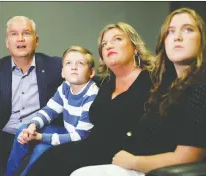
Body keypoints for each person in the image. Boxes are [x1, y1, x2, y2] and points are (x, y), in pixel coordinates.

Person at [70, 7, 206, 176]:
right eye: (170, 32)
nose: (177, 37)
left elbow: (189, 155)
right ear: (164, 41)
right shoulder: (168, 85)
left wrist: (134, 161)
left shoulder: (199, 86)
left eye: (188, 29)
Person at [25, 22, 155, 176]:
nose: (108, 46)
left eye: (117, 39)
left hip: (123, 158)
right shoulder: (107, 83)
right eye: (104, 44)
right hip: (91, 149)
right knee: (46, 160)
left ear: (135, 48)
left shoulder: (151, 82)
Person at [5, 46, 99, 176]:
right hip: (67, 131)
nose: (73, 67)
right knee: (23, 129)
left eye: (80, 63)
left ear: (91, 72)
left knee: (41, 150)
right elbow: (50, 110)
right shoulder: (66, 86)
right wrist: (33, 126)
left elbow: (80, 136)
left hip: (80, 142)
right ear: (62, 72)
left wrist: (40, 137)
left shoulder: (92, 96)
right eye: (68, 63)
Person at [0, 16, 63, 175]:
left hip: (37, 134)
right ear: (7, 42)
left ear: (36, 40)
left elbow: (86, 73)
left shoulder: (55, 66)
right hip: (5, 136)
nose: (20, 39)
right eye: (14, 34)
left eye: (26, 33)